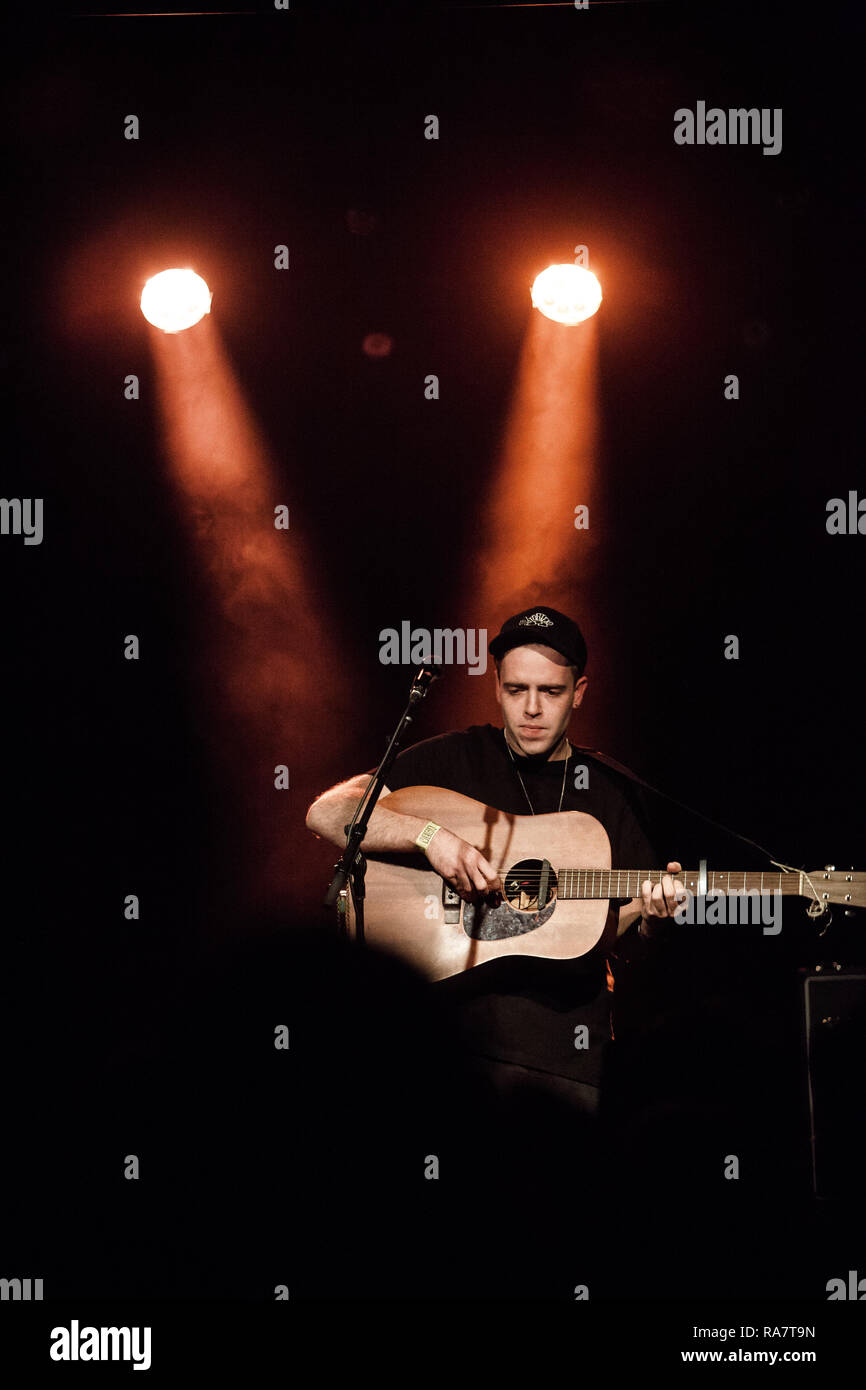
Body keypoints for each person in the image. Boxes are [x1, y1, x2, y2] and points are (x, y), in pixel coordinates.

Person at [305, 605, 686, 1123]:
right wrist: (431, 837)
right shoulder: (455, 758)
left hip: (561, 1062)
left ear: (579, 691)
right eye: (516, 690)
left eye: (550, 692)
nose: (531, 708)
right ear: (496, 686)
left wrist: (648, 916)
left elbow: (607, 932)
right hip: (444, 1050)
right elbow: (327, 812)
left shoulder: (608, 792)